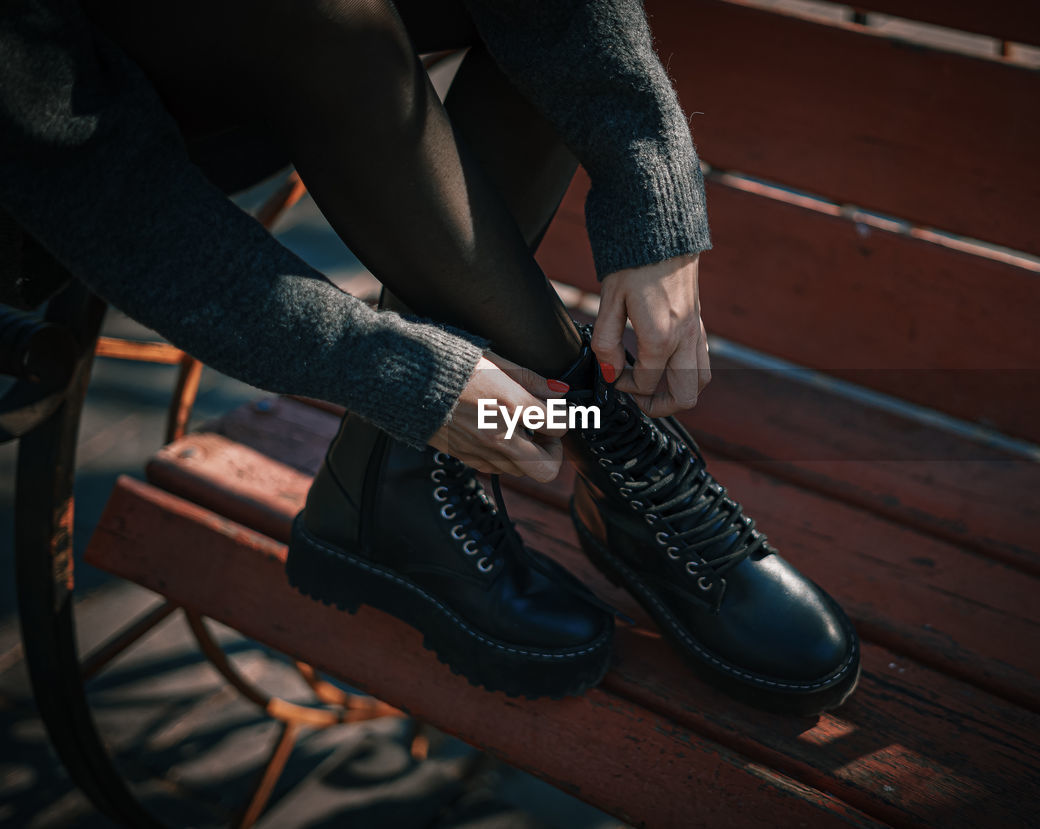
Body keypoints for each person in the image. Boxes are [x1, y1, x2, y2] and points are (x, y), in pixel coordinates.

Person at [0, 0, 859, 714]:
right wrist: (389, 371)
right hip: (69, 145)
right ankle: (615, 447)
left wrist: (648, 176)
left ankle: (392, 479)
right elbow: (91, 178)